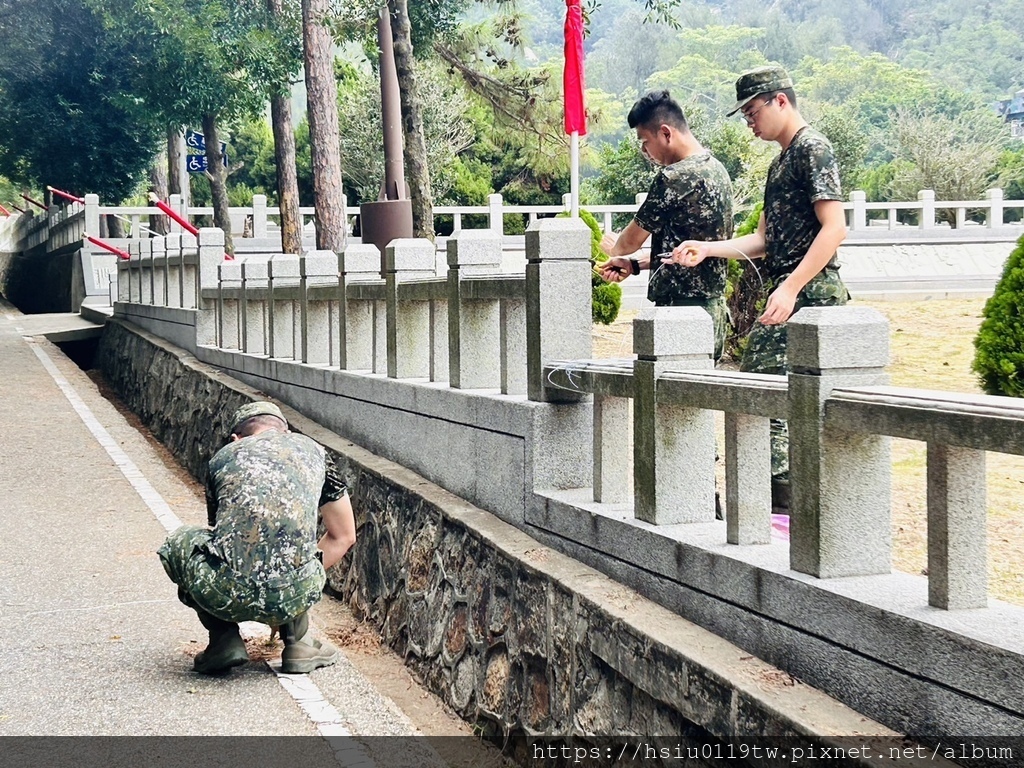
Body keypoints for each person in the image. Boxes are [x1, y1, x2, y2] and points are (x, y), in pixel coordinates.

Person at [666, 65, 849, 512]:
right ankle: (778, 507)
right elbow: (763, 240)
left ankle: (782, 510)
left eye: (752, 111)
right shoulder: (781, 161)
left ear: (780, 101)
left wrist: (790, 287)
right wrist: (707, 249)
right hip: (790, 294)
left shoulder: (812, 149)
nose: (749, 122)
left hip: (812, 296)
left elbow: (834, 228)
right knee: (765, 400)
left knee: (764, 400)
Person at [158, 401, 357, 676]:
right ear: (286, 433)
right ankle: (298, 642)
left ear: (235, 438)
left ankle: (224, 639)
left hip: (226, 592)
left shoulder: (224, 457)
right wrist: (289, 593)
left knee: (180, 542)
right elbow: (344, 536)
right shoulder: (316, 452)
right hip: (295, 593)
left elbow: (223, 539)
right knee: (291, 542)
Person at [598, 90, 734, 361]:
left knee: (671, 399)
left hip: (680, 312)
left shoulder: (673, 177)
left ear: (665, 133)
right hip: (714, 310)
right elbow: (688, 252)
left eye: (645, 141)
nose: (644, 151)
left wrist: (614, 249)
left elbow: (629, 241)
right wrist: (634, 264)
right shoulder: (717, 169)